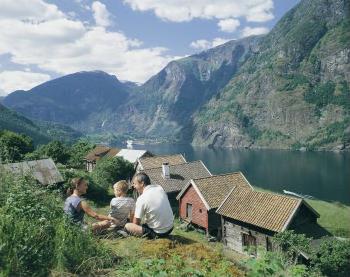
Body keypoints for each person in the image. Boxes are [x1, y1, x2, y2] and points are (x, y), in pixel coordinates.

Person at [125, 172, 174, 239]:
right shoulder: (159, 188)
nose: (133, 186)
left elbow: (136, 223)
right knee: (146, 221)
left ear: (142, 183)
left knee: (128, 226)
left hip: (159, 233)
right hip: (170, 228)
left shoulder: (141, 198)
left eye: (135, 184)